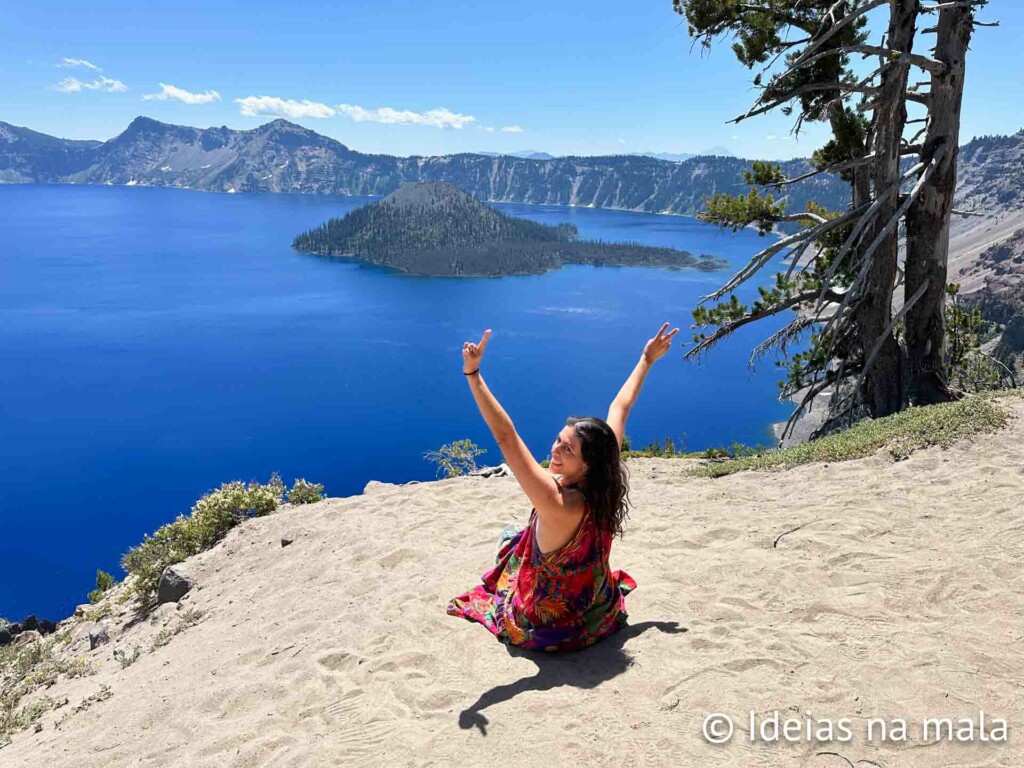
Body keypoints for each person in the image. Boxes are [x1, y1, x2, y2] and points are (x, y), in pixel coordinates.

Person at [447, 322, 680, 652]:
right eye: (559, 440)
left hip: (543, 623)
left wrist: (473, 374)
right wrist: (646, 358)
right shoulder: (604, 478)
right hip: (592, 609)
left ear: (586, 463)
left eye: (567, 449)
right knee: (517, 537)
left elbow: (505, 435)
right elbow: (620, 408)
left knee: (508, 537)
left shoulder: (556, 501)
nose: (555, 449)